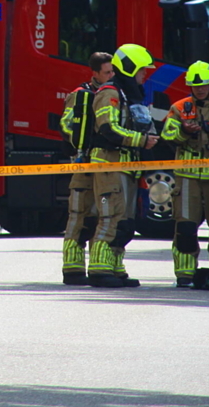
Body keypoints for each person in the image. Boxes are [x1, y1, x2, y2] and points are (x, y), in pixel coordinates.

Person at [161, 61, 209, 288]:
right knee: (185, 227)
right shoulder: (179, 107)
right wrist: (184, 131)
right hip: (187, 177)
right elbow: (167, 134)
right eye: (195, 86)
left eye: (203, 85)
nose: (199, 89)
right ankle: (185, 274)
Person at [86, 44, 159, 288]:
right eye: (142, 70)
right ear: (129, 68)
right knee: (110, 217)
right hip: (109, 165)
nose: (145, 75)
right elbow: (108, 128)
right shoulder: (110, 92)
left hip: (126, 167)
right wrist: (141, 140)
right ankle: (99, 269)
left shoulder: (131, 94)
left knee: (126, 222)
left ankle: (115, 268)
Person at [59, 52, 114, 286]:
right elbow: (65, 125)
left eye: (113, 72)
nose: (111, 76)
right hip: (84, 166)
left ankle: (98, 265)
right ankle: (72, 268)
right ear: (95, 73)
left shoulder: (111, 94)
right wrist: (85, 143)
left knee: (102, 214)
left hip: (103, 167)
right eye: (107, 72)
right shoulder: (80, 96)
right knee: (78, 215)